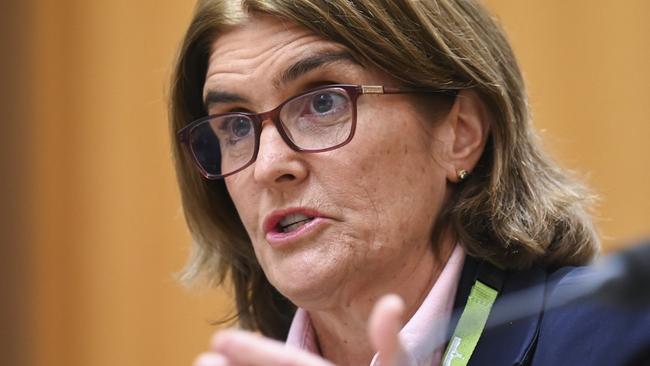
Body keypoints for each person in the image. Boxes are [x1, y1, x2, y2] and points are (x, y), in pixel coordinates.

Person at [169, 1, 650, 365]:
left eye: (323, 103)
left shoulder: (619, 341)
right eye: (234, 126)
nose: (267, 166)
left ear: (460, 133)